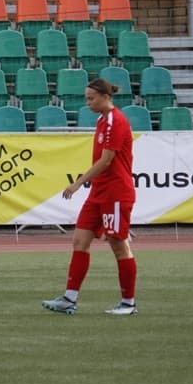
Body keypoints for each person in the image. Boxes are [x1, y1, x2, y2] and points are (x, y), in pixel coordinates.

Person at [43, 77, 139, 316]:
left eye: (91, 98)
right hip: (99, 192)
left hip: (115, 193)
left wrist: (78, 183)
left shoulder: (115, 122)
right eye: (86, 98)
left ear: (106, 97)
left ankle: (129, 303)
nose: (88, 102)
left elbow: (106, 161)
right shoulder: (102, 120)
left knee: (119, 245)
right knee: (79, 241)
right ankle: (69, 299)